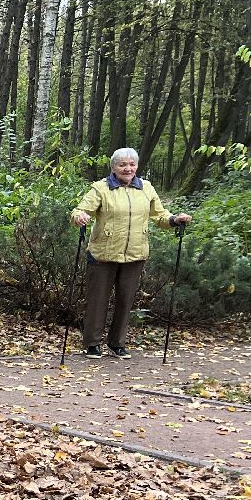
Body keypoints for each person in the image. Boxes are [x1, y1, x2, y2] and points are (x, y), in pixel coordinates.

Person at [71, 147, 191, 358]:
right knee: (98, 300)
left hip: (135, 253)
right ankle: (92, 344)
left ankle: (117, 343)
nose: (128, 168)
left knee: (126, 300)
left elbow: (160, 215)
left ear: (136, 166)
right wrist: (79, 216)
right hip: (103, 253)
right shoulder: (101, 188)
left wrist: (174, 219)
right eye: (122, 165)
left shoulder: (146, 188)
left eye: (132, 164)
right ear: (114, 167)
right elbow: (80, 210)